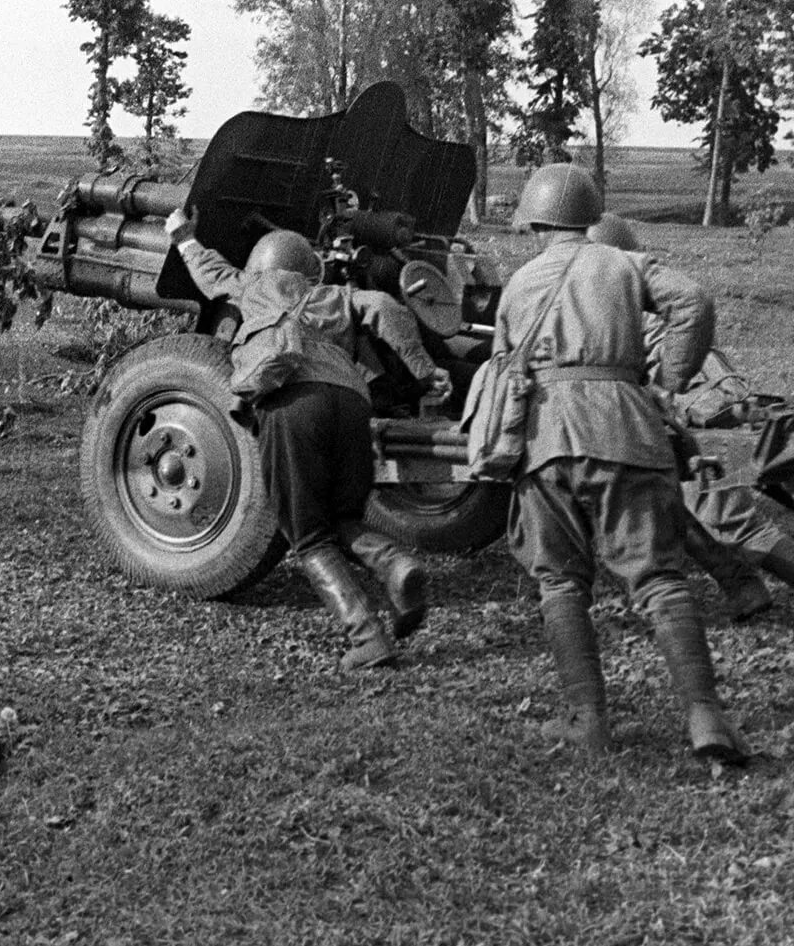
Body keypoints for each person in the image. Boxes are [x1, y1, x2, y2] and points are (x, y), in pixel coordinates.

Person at [484, 167, 747, 762]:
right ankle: (706, 716)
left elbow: (504, 368)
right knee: (659, 577)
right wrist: (668, 383)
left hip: (544, 437)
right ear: (590, 215)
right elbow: (694, 304)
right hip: (628, 429)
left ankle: (588, 721)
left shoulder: (520, 282)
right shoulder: (628, 265)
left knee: (558, 580)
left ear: (536, 221)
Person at [163, 204, 451, 672]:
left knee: (308, 535)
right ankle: (396, 564)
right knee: (342, 516)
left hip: (293, 401)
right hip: (352, 402)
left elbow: (209, 271)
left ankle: (367, 637)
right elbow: (386, 308)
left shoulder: (253, 285)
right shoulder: (337, 295)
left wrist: (183, 236)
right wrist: (424, 371)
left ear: (262, 266)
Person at [588, 212, 794, 632]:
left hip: (698, 409)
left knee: (734, 522)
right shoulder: (637, 288)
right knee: (665, 502)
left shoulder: (619, 298)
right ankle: (742, 586)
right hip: (694, 403)